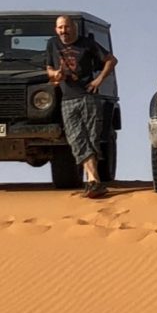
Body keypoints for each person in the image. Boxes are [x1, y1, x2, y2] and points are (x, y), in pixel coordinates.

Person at [45, 15, 117, 198]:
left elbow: (111, 60)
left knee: (91, 138)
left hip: (88, 97)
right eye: (60, 27)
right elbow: (48, 69)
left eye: (67, 27)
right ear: (56, 29)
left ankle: (93, 181)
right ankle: (94, 181)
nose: (64, 31)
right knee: (76, 139)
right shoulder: (52, 44)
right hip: (67, 99)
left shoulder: (87, 44)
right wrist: (56, 75)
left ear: (74, 28)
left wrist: (99, 79)